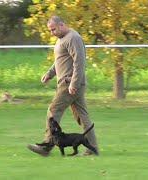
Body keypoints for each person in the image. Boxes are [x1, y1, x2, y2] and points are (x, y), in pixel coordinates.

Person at [27, 16, 99, 156]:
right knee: (82, 116)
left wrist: (74, 83)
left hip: (69, 84)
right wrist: (50, 73)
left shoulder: (73, 38)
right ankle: (92, 147)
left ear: (61, 25)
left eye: (53, 29)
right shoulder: (62, 40)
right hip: (69, 83)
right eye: (50, 30)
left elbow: (79, 62)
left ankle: (46, 146)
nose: (52, 32)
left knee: (53, 111)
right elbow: (61, 61)